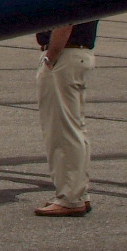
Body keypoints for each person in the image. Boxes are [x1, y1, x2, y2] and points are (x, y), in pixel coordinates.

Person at [34, 21, 97, 216]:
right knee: (75, 126)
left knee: (62, 130)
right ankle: (78, 192)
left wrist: (50, 57)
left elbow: (65, 22)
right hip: (76, 54)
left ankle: (70, 198)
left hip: (65, 55)